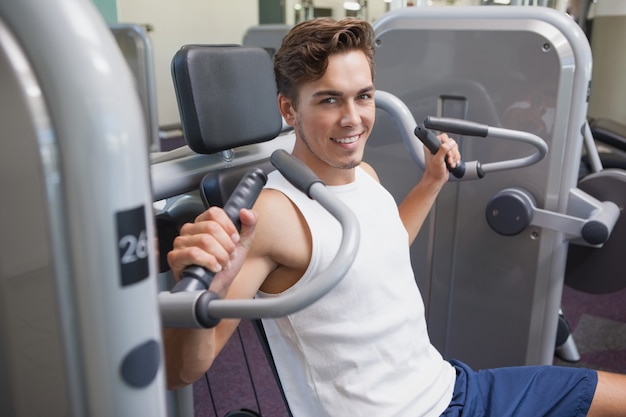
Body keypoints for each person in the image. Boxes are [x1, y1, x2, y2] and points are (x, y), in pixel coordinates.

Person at [164, 17, 626, 417]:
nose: (354, 119)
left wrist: (429, 183)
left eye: (363, 96)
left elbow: (382, 248)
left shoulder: (362, 172)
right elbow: (183, 371)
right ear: (289, 109)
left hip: (450, 386)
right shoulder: (271, 216)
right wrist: (211, 291)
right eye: (329, 100)